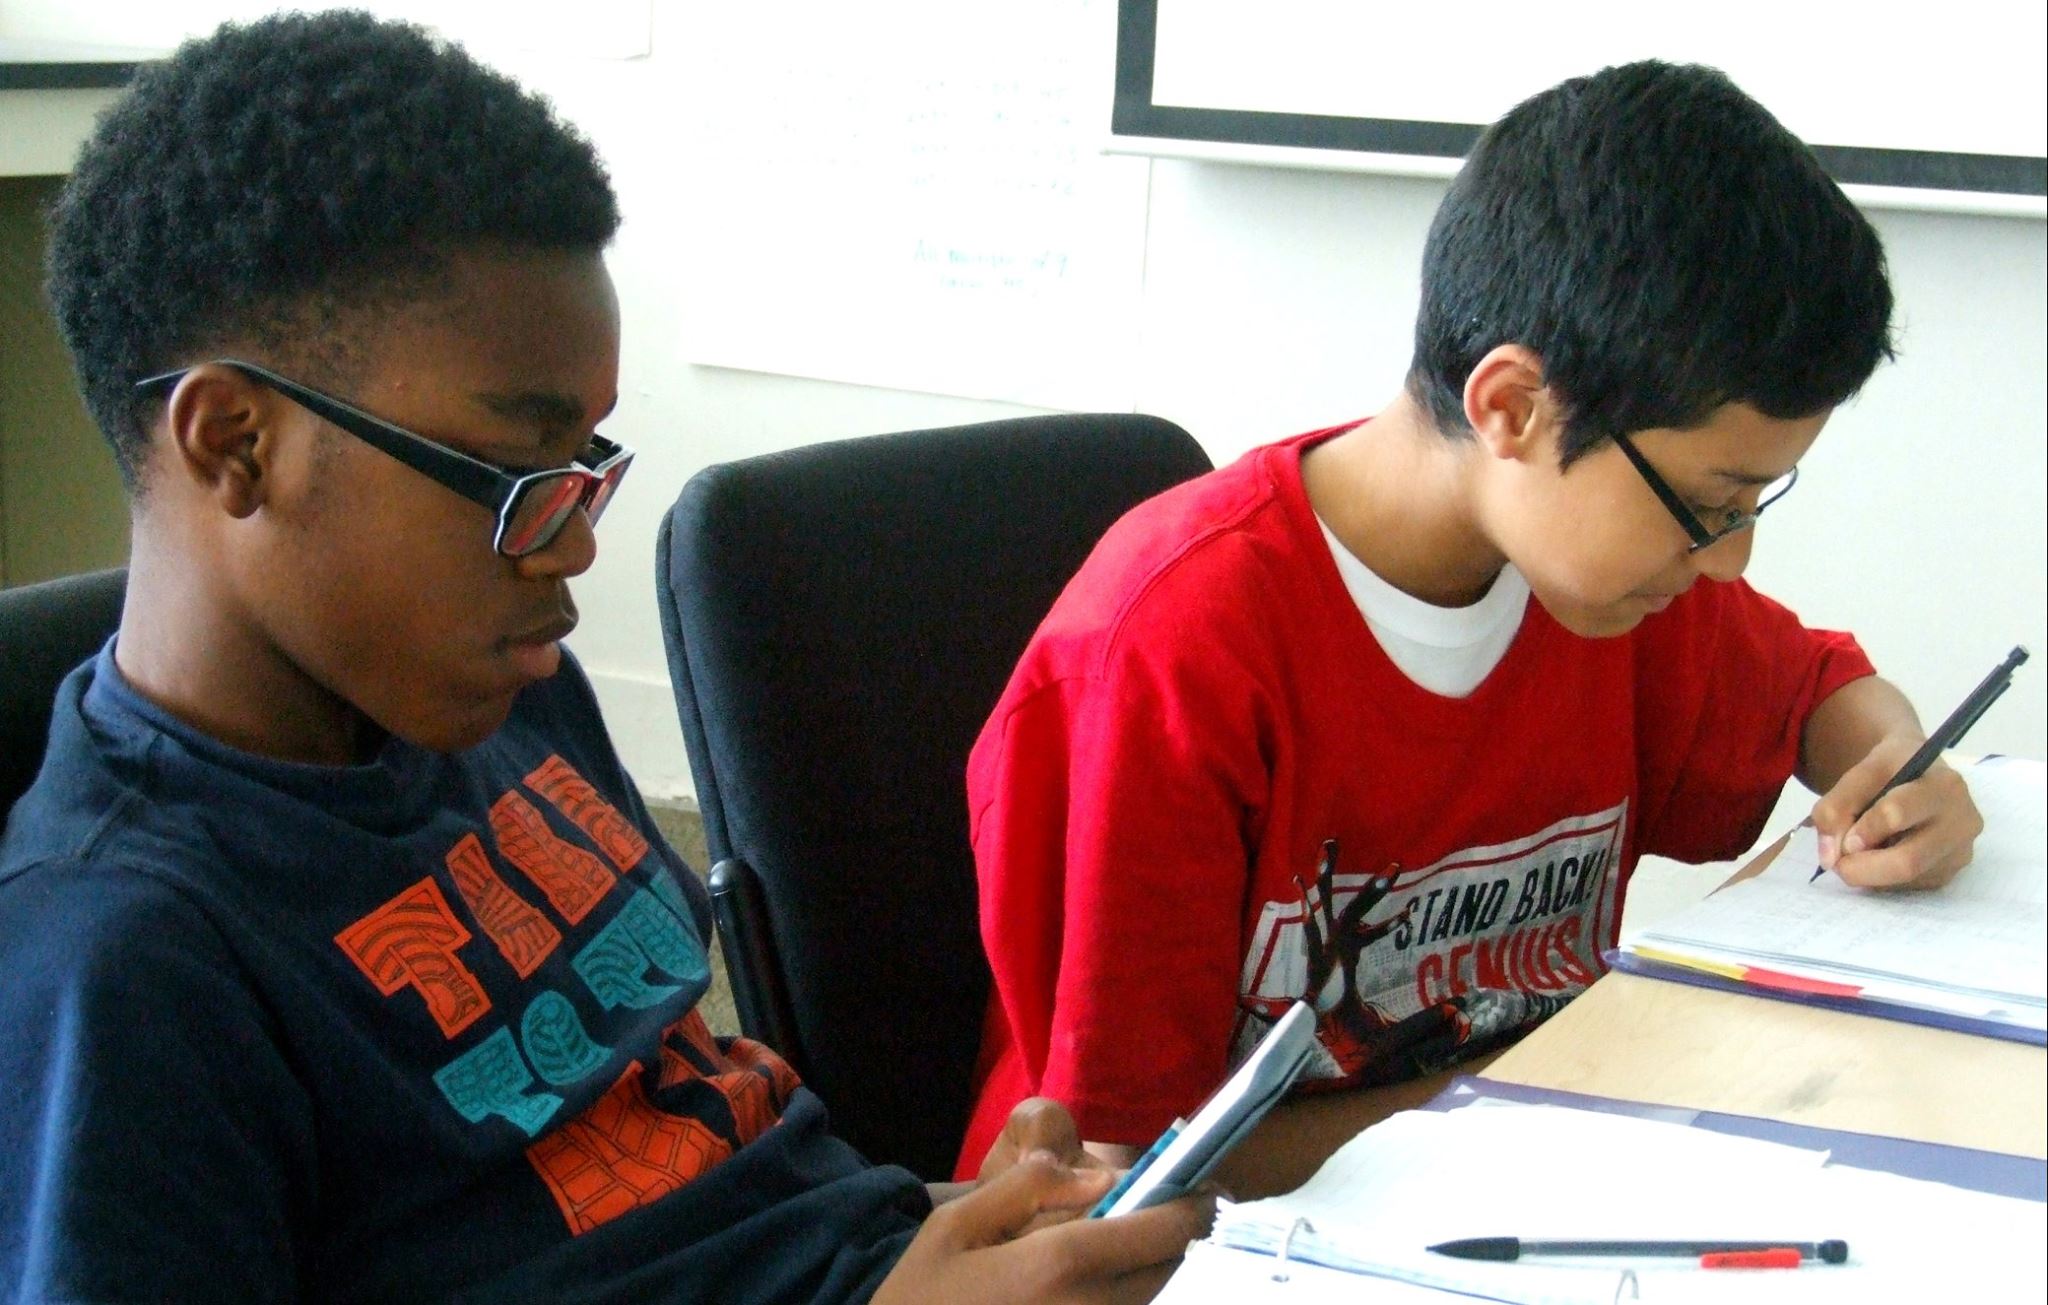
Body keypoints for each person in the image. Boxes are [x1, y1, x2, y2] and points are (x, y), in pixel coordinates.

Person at [0, 12, 1208, 1303]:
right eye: (519, 474)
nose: (572, 550)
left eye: (587, 466)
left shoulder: (501, 701)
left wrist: (963, 1220)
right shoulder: (129, 965)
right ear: (235, 445)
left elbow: (701, 1167)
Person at [956, 60, 1986, 1191]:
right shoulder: (1180, 648)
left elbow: (1820, 691)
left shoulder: (1596, 582)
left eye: (1750, 508)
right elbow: (1145, 1169)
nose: (1727, 559)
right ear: (1510, 408)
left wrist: (1893, 762)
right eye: (1705, 508)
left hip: (1512, 1164)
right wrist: (1559, 1082)